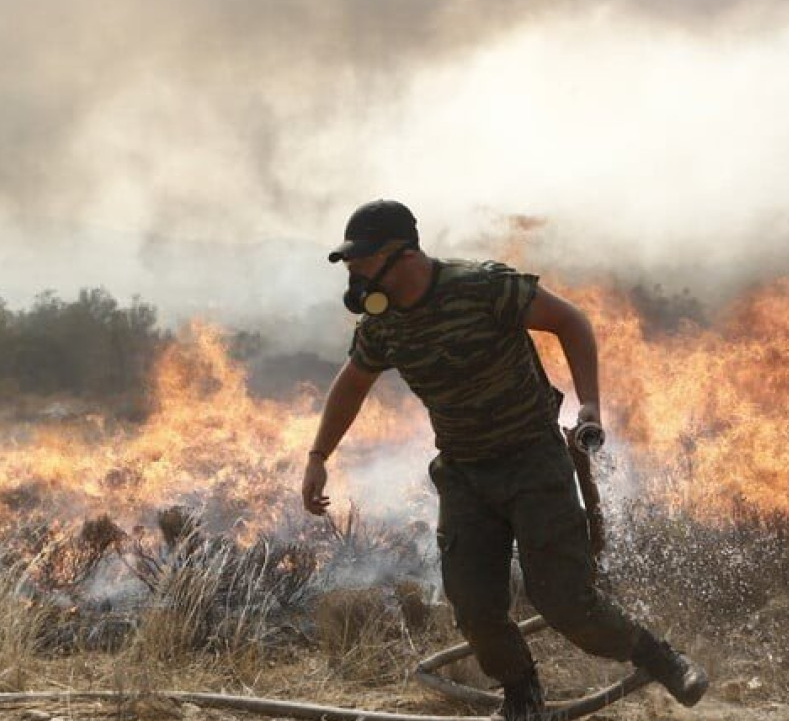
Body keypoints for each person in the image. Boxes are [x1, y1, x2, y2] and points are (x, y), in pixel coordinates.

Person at [301, 200, 708, 720]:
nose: (354, 273)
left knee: (564, 602)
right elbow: (351, 384)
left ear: (397, 254)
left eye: (359, 260)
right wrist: (318, 456)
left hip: (532, 461)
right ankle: (522, 694)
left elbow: (569, 320)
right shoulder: (384, 325)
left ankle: (660, 658)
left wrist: (589, 404)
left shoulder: (482, 287)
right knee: (472, 605)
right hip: (465, 474)